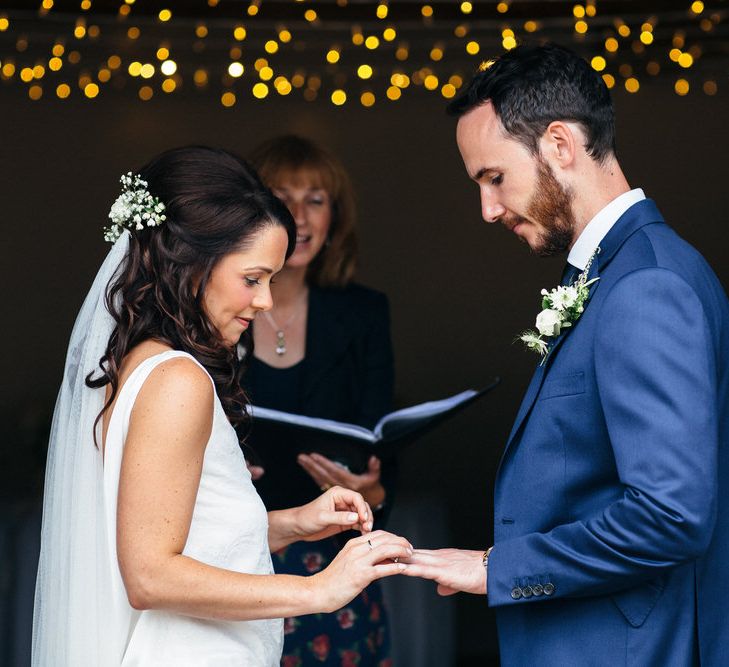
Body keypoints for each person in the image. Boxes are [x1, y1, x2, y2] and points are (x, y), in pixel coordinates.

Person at [402, 44, 729, 665]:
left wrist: (501, 569)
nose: (488, 209)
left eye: (494, 178)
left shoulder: (646, 286)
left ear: (559, 144)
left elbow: (671, 515)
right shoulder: (625, 271)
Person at [32, 146, 411, 666]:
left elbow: (185, 533)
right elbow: (149, 575)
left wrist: (293, 522)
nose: (265, 302)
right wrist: (318, 590)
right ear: (192, 264)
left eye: (271, 281)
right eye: (253, 278)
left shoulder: (139, 360)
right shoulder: (178, 380)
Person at [242, 135, 396, 666]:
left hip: (334, 559)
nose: (299, 217)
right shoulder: (214, 309)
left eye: (316, 199)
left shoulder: (365, 313)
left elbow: (380, 445)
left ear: (335, 216)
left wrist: (371, 490)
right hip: (235, 555)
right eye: (281, 197)